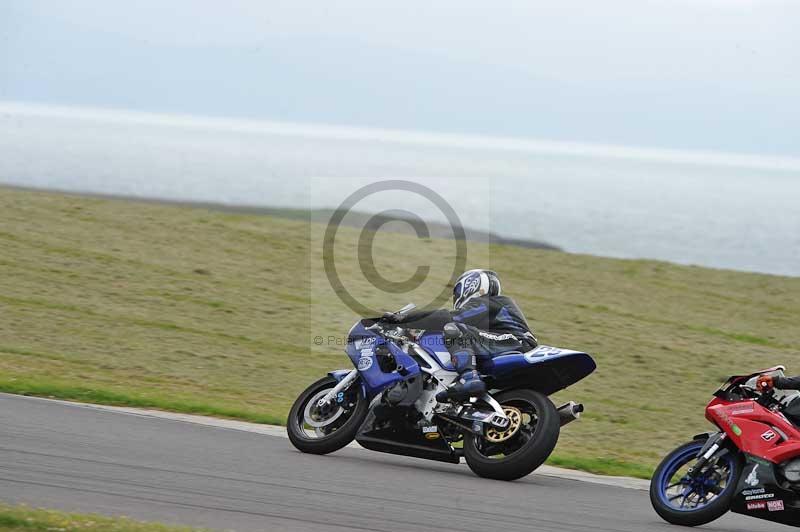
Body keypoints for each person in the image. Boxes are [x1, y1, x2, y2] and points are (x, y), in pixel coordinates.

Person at [383, 269, 537, 402]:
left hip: (513, 342)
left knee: (453, 327)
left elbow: (450, 317)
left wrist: (405, 319)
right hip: (511, 343)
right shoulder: (490, 313)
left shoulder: (489, 302)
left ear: (471, 286)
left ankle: (469, 377)